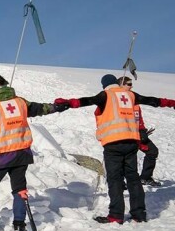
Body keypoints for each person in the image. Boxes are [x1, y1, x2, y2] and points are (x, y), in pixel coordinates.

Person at [54, 74, 174, 223]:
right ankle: (139, 214)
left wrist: (67, 103)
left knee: (115, 179)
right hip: (131, 142)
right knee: (133, 178)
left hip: (113, 144)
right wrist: (171, 103)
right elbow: (153, 101)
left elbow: (86, 101)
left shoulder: (106, 95)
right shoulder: (130, 95)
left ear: (104, 85)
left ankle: (116, 215)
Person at [0, 74, 63, 231]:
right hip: (22, 152)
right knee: (19, 188)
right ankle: (20, 223)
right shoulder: (20, 102)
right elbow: (40, 108)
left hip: (2, 154)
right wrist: (57, 106)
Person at [129, 78, 160, 186]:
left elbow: (138, 119)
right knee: (127, 157)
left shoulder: (135, 101)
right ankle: (122, 182)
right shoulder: (122, 102)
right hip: (128, 135)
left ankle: (145, 177)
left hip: (139, 134)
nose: (131, 86)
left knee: (153, 151)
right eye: (128, 84)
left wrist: (142, 131)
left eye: (131, 84)